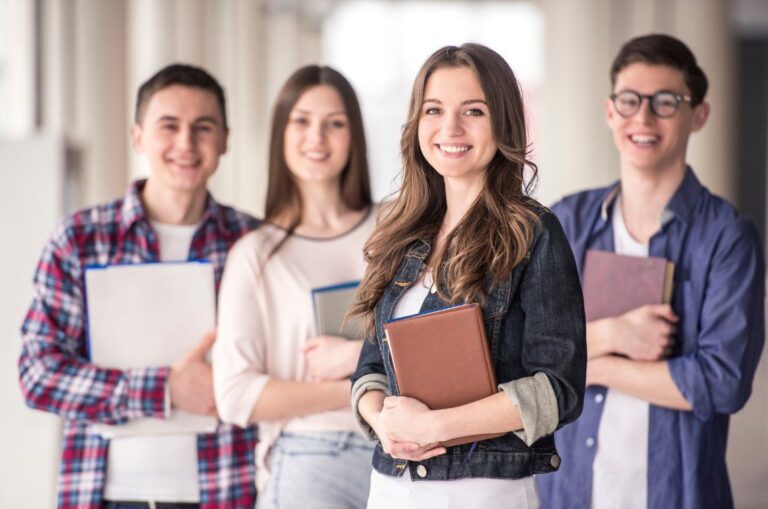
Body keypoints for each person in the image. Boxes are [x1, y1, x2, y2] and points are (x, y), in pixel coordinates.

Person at [349, 43, 587, 509]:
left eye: (473, 111)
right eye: (434, 110)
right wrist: (383, 423)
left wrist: (432, 427)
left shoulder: (533, 232)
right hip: (392, 487)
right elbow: (371, 368)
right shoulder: (402, 233)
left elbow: (559, 388)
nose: (450, 128)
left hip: (484, 491)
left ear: (503, 122)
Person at [535, 34, 766, 509]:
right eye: (629, 100)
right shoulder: (568, 222)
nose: (642, 117)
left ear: (698, 115)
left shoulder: (727, 237)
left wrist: (593, 367)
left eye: (665, 102)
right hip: (569, 493)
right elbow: (525, 349)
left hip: (676, 494)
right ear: (610, 111)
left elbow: (722, 382)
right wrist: (611, 335)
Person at [18, 64, 259, 509]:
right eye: (169, 126)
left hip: (227, 490)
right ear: (138, 137)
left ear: (225, 139)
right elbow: (38, 374)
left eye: (203, 127)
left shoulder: (254, 243)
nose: (186, 143)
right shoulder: (80, 239)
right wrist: (165, 389)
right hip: (106, 494)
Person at [212, 65, 376, 509]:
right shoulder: (256, 255)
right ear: (281, 133)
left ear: (354, 135)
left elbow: (437, 337)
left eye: (334, 123)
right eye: (301, 121)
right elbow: (235, 395)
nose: (316, 137)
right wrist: (364, 387)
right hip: (312, 456)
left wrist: (361, 360)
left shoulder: (396, 227)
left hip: (407, 452)